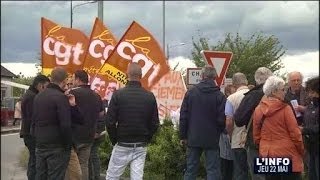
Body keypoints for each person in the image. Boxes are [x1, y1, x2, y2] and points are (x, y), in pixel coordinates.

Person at [105, 62, 159, 180]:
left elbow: (109, 122)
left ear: (126, 74)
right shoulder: (149, 96)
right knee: (137, 177)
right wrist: (147, 138)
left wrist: (115, 139)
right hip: (141, 144)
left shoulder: (118, 95)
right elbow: (155, 123)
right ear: (141, 76)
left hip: (122, 142)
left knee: (112, 177)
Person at [253, 76, 304, 180]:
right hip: (287, 153)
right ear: (274, 91)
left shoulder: (258, 109)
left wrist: (263, 145)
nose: (285, 92)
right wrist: (301, 150)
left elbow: (256, 135)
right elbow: (295, 134)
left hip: (267, 153)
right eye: (282, 89)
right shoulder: (285, 108)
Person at [179, 65, 226, 180]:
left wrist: (183, 135)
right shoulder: (219, 96)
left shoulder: (191, 93)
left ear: (202, 76)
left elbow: (184, 116)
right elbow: (222, 118)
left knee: (191, 169)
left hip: (193, 136)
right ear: (214, 77)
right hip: (212, 138)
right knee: (213, 169)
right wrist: (218, 131)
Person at [32, 67, 72, 180]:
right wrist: (68, 145)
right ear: (64, 81)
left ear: (51, 78)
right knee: (55, 176)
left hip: (40, 144)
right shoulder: (61, 98)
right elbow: (65, 125)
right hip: (57, 146)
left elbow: (33, 121)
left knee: (40, 176)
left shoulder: (38, 96)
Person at [234, 67, 273, 180]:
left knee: (259, 175)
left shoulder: (252, 96)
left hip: (256, 142)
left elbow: (239, 119)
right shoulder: (280, 94)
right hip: (277, 141)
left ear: (256, 79)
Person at [66, 70, 104, 180]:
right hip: (89, 136)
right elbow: (101, 115)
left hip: (72, 137)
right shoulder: (96, 96)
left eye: (73, 79)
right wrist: (97, 131)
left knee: (71, 166)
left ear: (78, 79)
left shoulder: (70, 93)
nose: (72, 81)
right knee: (84, 164)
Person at [20, 74, 50, 180]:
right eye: (46, 86)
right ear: (40, 85)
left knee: (33, 160)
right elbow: (34, 117)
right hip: (31, 133)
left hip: (29, 132)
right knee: (35, 161)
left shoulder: (30, 94)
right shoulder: (32, 97)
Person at [224, 73, 250, 180]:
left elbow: (229, 122)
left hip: (237, 141)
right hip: (254, 141)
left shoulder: (231, 98)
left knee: (240, 172)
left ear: (234, 84)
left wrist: (230, 135)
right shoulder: (256, 95)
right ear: (246, 82)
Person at [300, 76, 319, 180]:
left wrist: (304, 130)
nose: (310, 95)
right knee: (312, 174)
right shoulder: (311, 105)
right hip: (311, 146)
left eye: (312, 92)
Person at [219, 84, 236, 180]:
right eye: (233, 91)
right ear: (227, 93)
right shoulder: (225, 103)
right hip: (226, 133)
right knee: (226, 160)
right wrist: (225, 131)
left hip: (231, 133)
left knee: (231, 161)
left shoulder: (231, 101)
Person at [89, 99, 108, 180]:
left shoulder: (96, 100)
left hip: (95, 134)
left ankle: (95, 176)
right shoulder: (97, 100)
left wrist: (97, 132)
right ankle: (94, 176)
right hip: (95, 133)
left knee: (93, 155)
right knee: (92, 155)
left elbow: (102, 117)